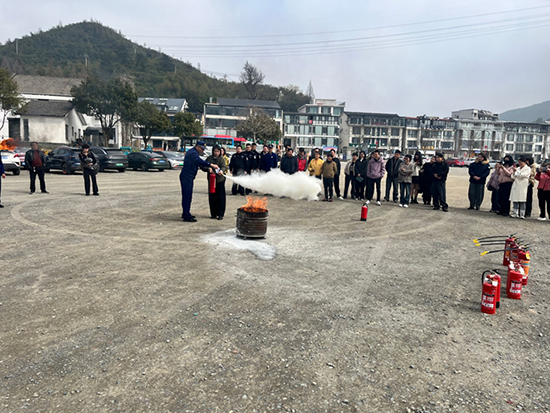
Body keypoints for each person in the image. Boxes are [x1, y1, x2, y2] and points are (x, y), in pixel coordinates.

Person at [180, 140, 218, 222]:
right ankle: (186, 215)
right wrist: (211, 164)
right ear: (197, 147)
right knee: (187, 196)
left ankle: (186, 212)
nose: (203, 150)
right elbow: (199, 161)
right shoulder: (193, 153)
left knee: (187, 196)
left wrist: (208, 168)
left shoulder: (193, 152)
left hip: (188, 176)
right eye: (202, 148)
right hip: (187, 176)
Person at [202, 145, 228, 220]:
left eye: (218, 151)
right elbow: (203, 166)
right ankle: (213, 213)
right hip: (211, 180)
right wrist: (208, 169)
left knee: (220, 197)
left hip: (220, 180)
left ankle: (220, 214)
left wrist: (221, 171)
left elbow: (224, 166)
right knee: (212, 197)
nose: (216, 153)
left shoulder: (221, 159)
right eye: (215, 151)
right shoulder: (209, 158)